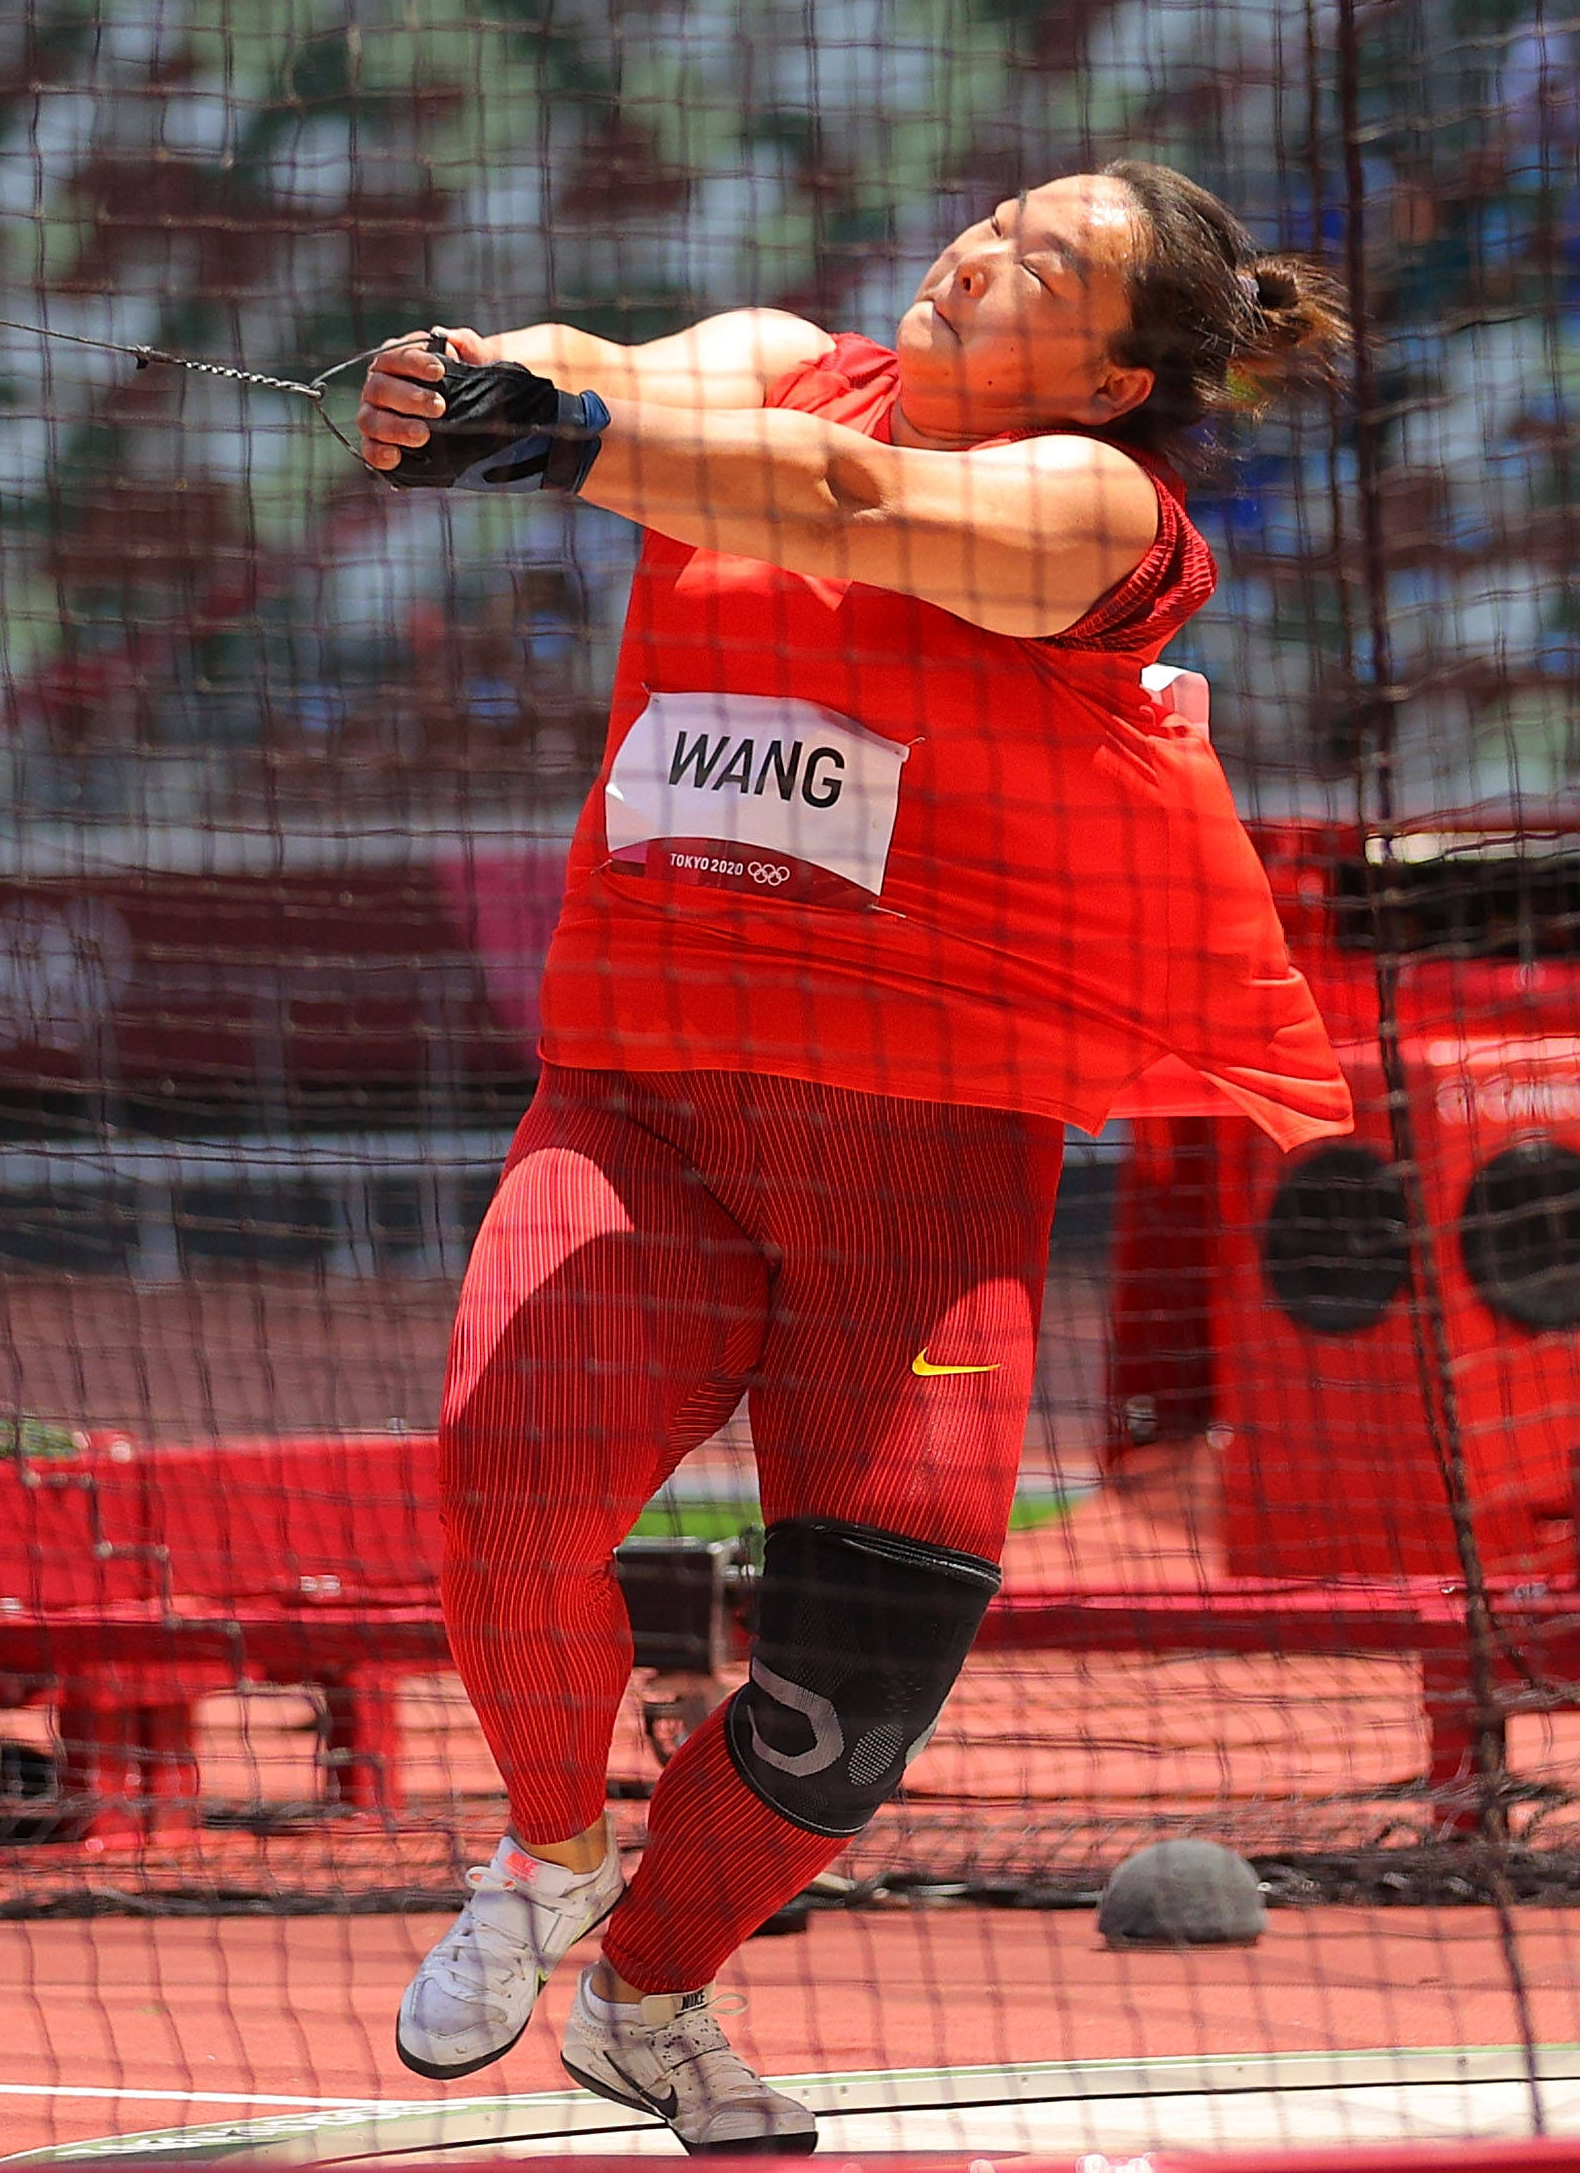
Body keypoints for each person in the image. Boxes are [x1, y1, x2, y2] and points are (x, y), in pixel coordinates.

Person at [358, 162, 1353, 2153]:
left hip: (918, 1168)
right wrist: (471, 375)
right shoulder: (783, 370)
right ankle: (553, 1844)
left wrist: (581, 444)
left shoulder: (1101, 512)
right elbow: (611, 368)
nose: (979, 250)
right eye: (992, 217)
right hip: (645, 1095)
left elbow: (851, 510)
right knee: (506, 1476)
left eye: (1045, 262)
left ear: (1123, 367)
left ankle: (651, 1998)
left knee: (854, 1685)